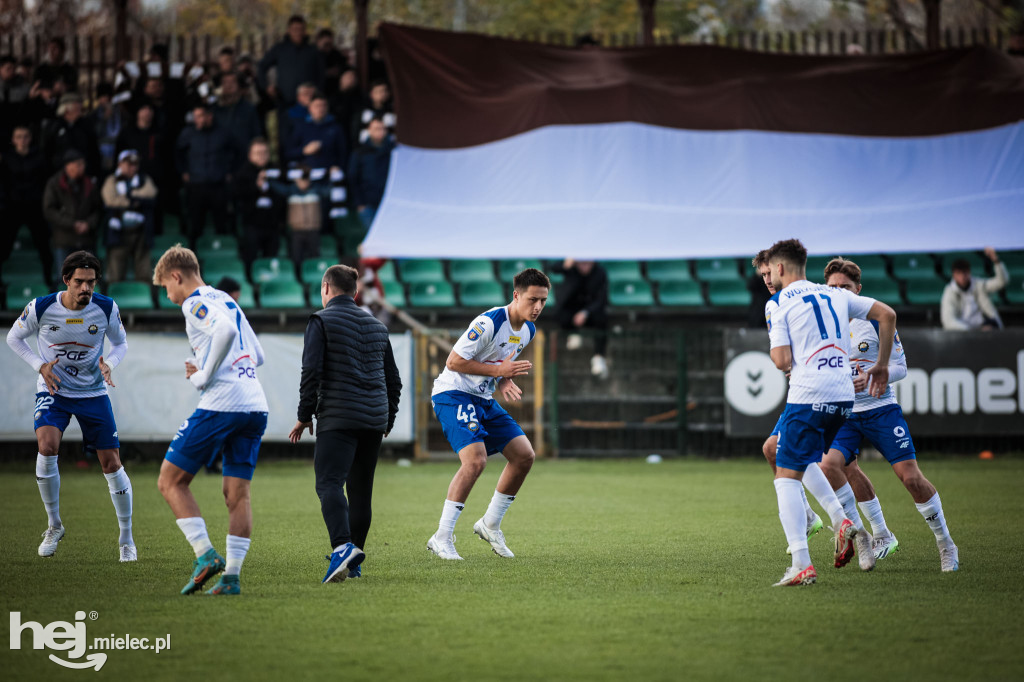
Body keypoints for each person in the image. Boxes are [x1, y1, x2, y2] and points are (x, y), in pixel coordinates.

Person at [764, 238, 896, 587]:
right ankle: (843, 521)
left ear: (779, 268)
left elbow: (781, 360)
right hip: (842, 398)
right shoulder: (835, 295)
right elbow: (888, 315)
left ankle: (801, 563)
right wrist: (881, 366)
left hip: (808, 395)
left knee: (784, 477)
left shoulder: (780, 302)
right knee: (798, 456)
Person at [825, 257, 958, 571]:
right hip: (844, 412)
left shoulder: (873, 320)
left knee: (911, 478)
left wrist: (875, 373)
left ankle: (945, 542)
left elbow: (901, 367)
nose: (840, 293)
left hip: (881, 409)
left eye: (845, 287)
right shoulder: (823, 325)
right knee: (830, 465)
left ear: (858, 289)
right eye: (833, 288)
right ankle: (872, 536)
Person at [153, 245, 268, 596]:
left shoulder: (193, 302)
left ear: (177, 276)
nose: (169, 296)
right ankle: (231, 578)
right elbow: (257, 354)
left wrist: (203, 376)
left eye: (165, 287)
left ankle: (205, 554)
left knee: (170, 481)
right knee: (238, 494)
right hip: (255, 404)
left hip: (223, 403)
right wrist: (205, 365)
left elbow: (225, 334)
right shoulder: (225, 298)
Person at [5, 251, 135, 562]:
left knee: (112, 464)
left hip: (92, 392)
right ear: (66, 280)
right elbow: (14, 337)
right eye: (79, 282)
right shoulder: (41, 307)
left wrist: (110, 364)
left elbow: (121, 343)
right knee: (47, 446)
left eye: (90, 282)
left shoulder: (105, 308)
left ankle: (126, 539)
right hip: (54, 390)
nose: (85, 288)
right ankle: (54, 525)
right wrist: (40, 365)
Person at [289, 264, 402, 583]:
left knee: (328, 483)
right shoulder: (378, 326)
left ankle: (342, 548)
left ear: (326, 288)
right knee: (361, 491)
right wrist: (387, 418)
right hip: (373, 418)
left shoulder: (320, 320)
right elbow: (394, 380)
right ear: (355, 292)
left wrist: (303, 415)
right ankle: (354, 562)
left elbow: (310, 371)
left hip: (338, 417)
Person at [426, 268, 550, 561]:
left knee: (524, 455)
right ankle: (442, 537)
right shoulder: (489, 321)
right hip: (452, 394)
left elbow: (497, 361)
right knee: (476, 461)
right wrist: (498, 372)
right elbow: (454, 361)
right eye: (533, 299)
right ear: (516, 295)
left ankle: (490, 524)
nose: (538, 307)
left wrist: (503, 378)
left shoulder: (529, 330)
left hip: (481, 397)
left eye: (543, 301)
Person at [175, 103, 238, 241]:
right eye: (196, 116)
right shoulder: (188, 133)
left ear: (209, 116)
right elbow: (178, 153)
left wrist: (229, 171)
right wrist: (184, 171)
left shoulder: (223, 133)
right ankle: (193, 256)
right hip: (196, 185)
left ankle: (221, 252)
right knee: (195, 224)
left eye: (201, 116)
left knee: (221, 223)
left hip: (218, 184)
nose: (198, 120)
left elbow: (235, 152)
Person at [1, 125, 52, 283]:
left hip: (34, 207)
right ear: (13, 140)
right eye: (19, 137)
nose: (22, 140)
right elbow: (3, 185)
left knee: (43, 246)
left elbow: (45, 182)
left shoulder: (40, 157)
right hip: (13, 208)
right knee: (3, 246)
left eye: (25, 136)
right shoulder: (7, 159)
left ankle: (48, 281)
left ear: (30, 139)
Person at [101, 149, 158, 282]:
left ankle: (146, 298)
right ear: (120, 164)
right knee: (115, 272)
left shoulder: (144, 178)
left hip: (141, 232)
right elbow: (110, 200)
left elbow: (151, 193)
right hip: (118, 232)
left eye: (135, 164)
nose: (133, 167)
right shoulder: (111, 180)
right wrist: (134, 200)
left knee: (145, 272)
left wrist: (127, 197)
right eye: (129, 164)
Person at [43, 148, 102, 272]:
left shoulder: (90, 183)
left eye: (83, 164)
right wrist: (72, 224)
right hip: (64, 239)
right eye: (78, 164)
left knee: (90, 277)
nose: (82, 167)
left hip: (86, 239)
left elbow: (98, 209)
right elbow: (49, 210)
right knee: (64, 279)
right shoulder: (54, 183)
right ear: (68, 166)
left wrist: (88, 224)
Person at [550, 258, 610, 378]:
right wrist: (566, 264)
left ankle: (599, 357)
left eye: (587, 263)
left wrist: (586, 312)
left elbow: (601, 299)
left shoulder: (600, 273)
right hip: (572, 310)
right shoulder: (571, 270)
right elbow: (553, 268)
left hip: (591, 311)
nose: (584, 267)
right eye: (581, 263)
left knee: (602, 319)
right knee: (560, 313)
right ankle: (572, 333)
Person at [233, 138, 283, 266]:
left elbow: (283, 193)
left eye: (265, 152)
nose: (262, 156)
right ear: (250, 155)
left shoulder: (275, 170)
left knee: (271, 258)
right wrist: (256, 185)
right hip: (252, 224)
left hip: (272, 224)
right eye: (258, 153)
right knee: (251, 257)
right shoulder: (243, 172)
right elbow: (237, 194)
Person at [940, 248, 1009, 331]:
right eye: (958, 273)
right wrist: (970, 332)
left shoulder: (979, 285)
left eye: (965, 272)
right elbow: (948, 321)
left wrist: (996, 261)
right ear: (953, 275)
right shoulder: (950, 291)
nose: (962, 277)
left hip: (984, 331)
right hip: (961, 334)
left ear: (969, 272)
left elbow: (1002, 282)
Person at [347, 117, 393, 231]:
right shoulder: (360, 152)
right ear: (369, 130)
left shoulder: (393, 151)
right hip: (367, 204)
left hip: (389, 202)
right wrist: (360, 203)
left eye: (382, 128)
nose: (380, 131)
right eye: (376, 128)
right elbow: (353, 177)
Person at [41, 93, 101, 176]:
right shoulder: (53, 127)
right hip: (59, 174)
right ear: (67, 110)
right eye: (77, 109)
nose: (80, 113)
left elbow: (94, 151)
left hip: (84, 174)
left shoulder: (86, 126)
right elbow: (47, 152)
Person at [286, 93, 348, 170]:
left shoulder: (336, 127)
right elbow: (289, 152)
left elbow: (343, 153)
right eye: (317, 106)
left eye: (324, 105)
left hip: (329, 174)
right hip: (307, 173)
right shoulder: (300, 127)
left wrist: (338, 167)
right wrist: (304, 150)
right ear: (310, 108)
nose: (321, 109)